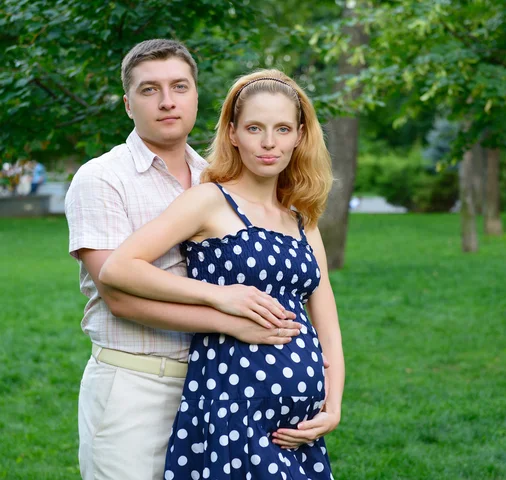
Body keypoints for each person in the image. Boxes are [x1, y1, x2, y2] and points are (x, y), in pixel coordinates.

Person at [65, 40, 305, 480]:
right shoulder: (101, 178)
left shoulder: (219, 178)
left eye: (179, 86)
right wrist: (224, 311)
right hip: (135, 383)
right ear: (127, 104)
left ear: (197, 96)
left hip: (217, 388)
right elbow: (118, 297)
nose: (167, 101)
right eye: (149, 90)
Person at [99, 69, 345, 479]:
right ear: (233, 133)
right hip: (233, 408)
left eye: (282, 129)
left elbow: (327, 323)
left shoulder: (302, 218)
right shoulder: (209, 201)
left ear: (300, 136)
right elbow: (118, 268)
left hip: (298, 428)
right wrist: (218, 296)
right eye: (254, 128)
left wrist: (333, 405)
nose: (269, 142)